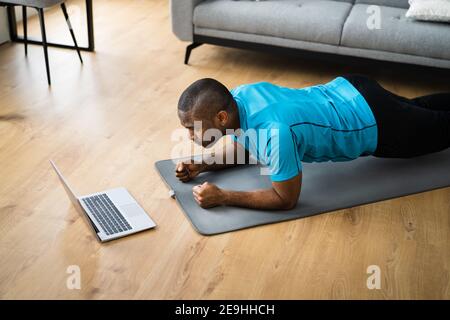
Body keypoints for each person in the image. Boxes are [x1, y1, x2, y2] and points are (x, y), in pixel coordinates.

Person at [175, 75, 450, 210]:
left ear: (222, 117)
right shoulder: (241, 97)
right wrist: (203, 165)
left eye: (192, 128)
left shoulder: (275, 133)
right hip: (352, 88)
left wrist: (224, 196)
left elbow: (285, 198)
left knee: (440, 129)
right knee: (421, 110)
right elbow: (248, 144)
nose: (190, 136)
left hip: (376, 123)